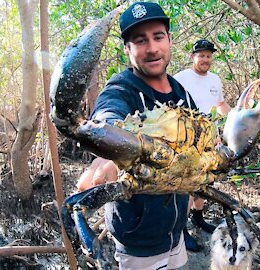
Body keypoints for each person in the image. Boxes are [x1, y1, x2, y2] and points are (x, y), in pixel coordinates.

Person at [76, 2, 197, 269]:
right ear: (127, 49)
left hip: (176, 233)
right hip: (138, 243)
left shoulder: (182, 92)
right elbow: (107, 115)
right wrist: (109, 151)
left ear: (170, 39)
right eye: (140, 40)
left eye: (158, 37)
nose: (152, 48)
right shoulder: (121, 89)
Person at [174, 39, 231, 252]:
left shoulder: (215, 80)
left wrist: (236, 117)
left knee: (205, 183)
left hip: (210, 140)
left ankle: (198, 218)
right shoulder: (180, 78)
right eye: (201, 55)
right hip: (186, 142)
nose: (205, 59)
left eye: (208, 56)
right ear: (193, 57)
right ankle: (181, 230)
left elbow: (221, 105)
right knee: (187, 186)